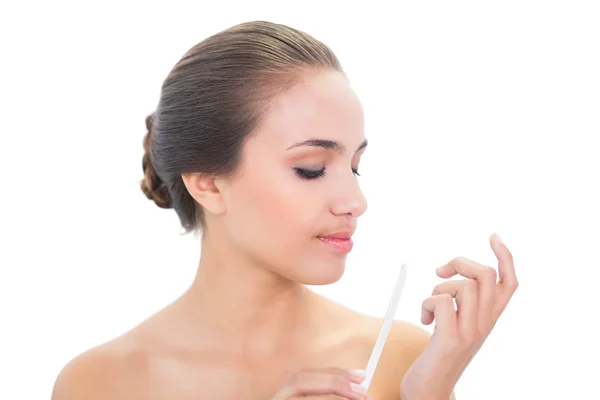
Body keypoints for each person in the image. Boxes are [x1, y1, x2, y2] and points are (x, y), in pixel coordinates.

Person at [51, 20, 518, 400]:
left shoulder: (401, 360)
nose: (356, 202)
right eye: (312, 169)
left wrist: (429, 393)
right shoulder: (98, 385)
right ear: (209, 185)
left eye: (354, 167)